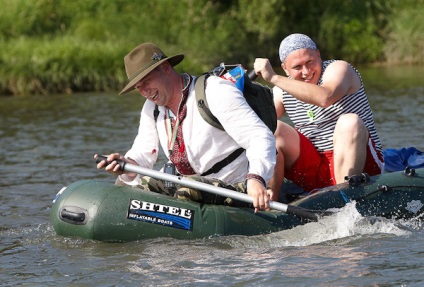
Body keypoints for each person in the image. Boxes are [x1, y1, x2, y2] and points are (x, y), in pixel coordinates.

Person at [95, 42, 276, 212]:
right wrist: (125, 165)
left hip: (234, 186)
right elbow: (143, 154)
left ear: (166, 68)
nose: (145, 92)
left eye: (147, 81)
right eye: (138, 87)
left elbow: (260, 137)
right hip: (188, 184)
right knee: (124, 184)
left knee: (185, 189)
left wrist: (257, 179)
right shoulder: (152, 108)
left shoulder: (214, 90)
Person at [253, 33, 384, 198]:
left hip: (360, 162)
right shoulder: (281, 91)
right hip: (315, 168)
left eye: (310, 62)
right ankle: (271, 204)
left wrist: (272, 77)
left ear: (318, 55)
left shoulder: (339, 69)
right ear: (285, 68)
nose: (306, 72)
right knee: (273, 128)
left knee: (349, 122)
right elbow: (254, 127)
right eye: (297, 67)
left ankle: (347, 199)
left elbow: (325, 97)